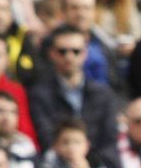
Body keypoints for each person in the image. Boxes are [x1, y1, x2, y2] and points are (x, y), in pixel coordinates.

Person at [27, 25, 119, 155]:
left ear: (85, 53)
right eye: (62, 51)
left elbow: (109, 141)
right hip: (55, 167)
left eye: (76, 51)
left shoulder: (103, 94)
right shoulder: (39, 95)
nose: (69, 57)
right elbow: (45, 138)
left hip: (98, 166)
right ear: (52, 53)